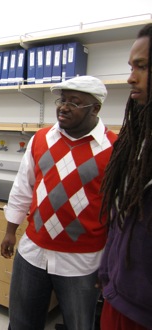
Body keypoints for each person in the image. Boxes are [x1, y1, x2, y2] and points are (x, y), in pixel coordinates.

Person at [0, 75, 118, 330]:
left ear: (95, 108)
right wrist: (11, 230)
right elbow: (23, 187)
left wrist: (111, 261)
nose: (63, 107)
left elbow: (117, 209)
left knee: (79, 324)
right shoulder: (41, 139)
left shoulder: (114, 148)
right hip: (32, 252)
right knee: (21, 323)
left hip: (82, 261)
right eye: (62, 100)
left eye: (75, 102)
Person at [98, 23, 152, 330]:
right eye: (132, 67)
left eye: (142, 67)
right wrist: (107, 273)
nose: (131, 77)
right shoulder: (136, 139)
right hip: (119, 297)